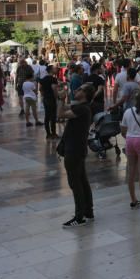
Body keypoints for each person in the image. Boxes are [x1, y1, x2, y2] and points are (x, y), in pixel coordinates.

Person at [59, 84, 95, 228]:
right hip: (78, 148)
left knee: (75, 183)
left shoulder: (82, 108)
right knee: (82, 180)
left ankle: (79, 216)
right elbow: (66, 108)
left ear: (85, 94)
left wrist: (61, 100)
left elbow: (60, 114)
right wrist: (62, 98)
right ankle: (88, 211)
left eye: (79, 89)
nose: (76, 90)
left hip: (74, 149)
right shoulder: (82, 107)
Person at [38, 66, 59, 138]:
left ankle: (48, 134)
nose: (56, 69)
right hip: (51, 99)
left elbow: (40, 89)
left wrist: (44, 95)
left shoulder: (43, 79)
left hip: (46, 99)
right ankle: (54, 133)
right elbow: (54, 89)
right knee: (53, 117)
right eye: (54, 68)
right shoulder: (53, 79)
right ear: (51, 70)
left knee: (47, 116)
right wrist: (56, 98)